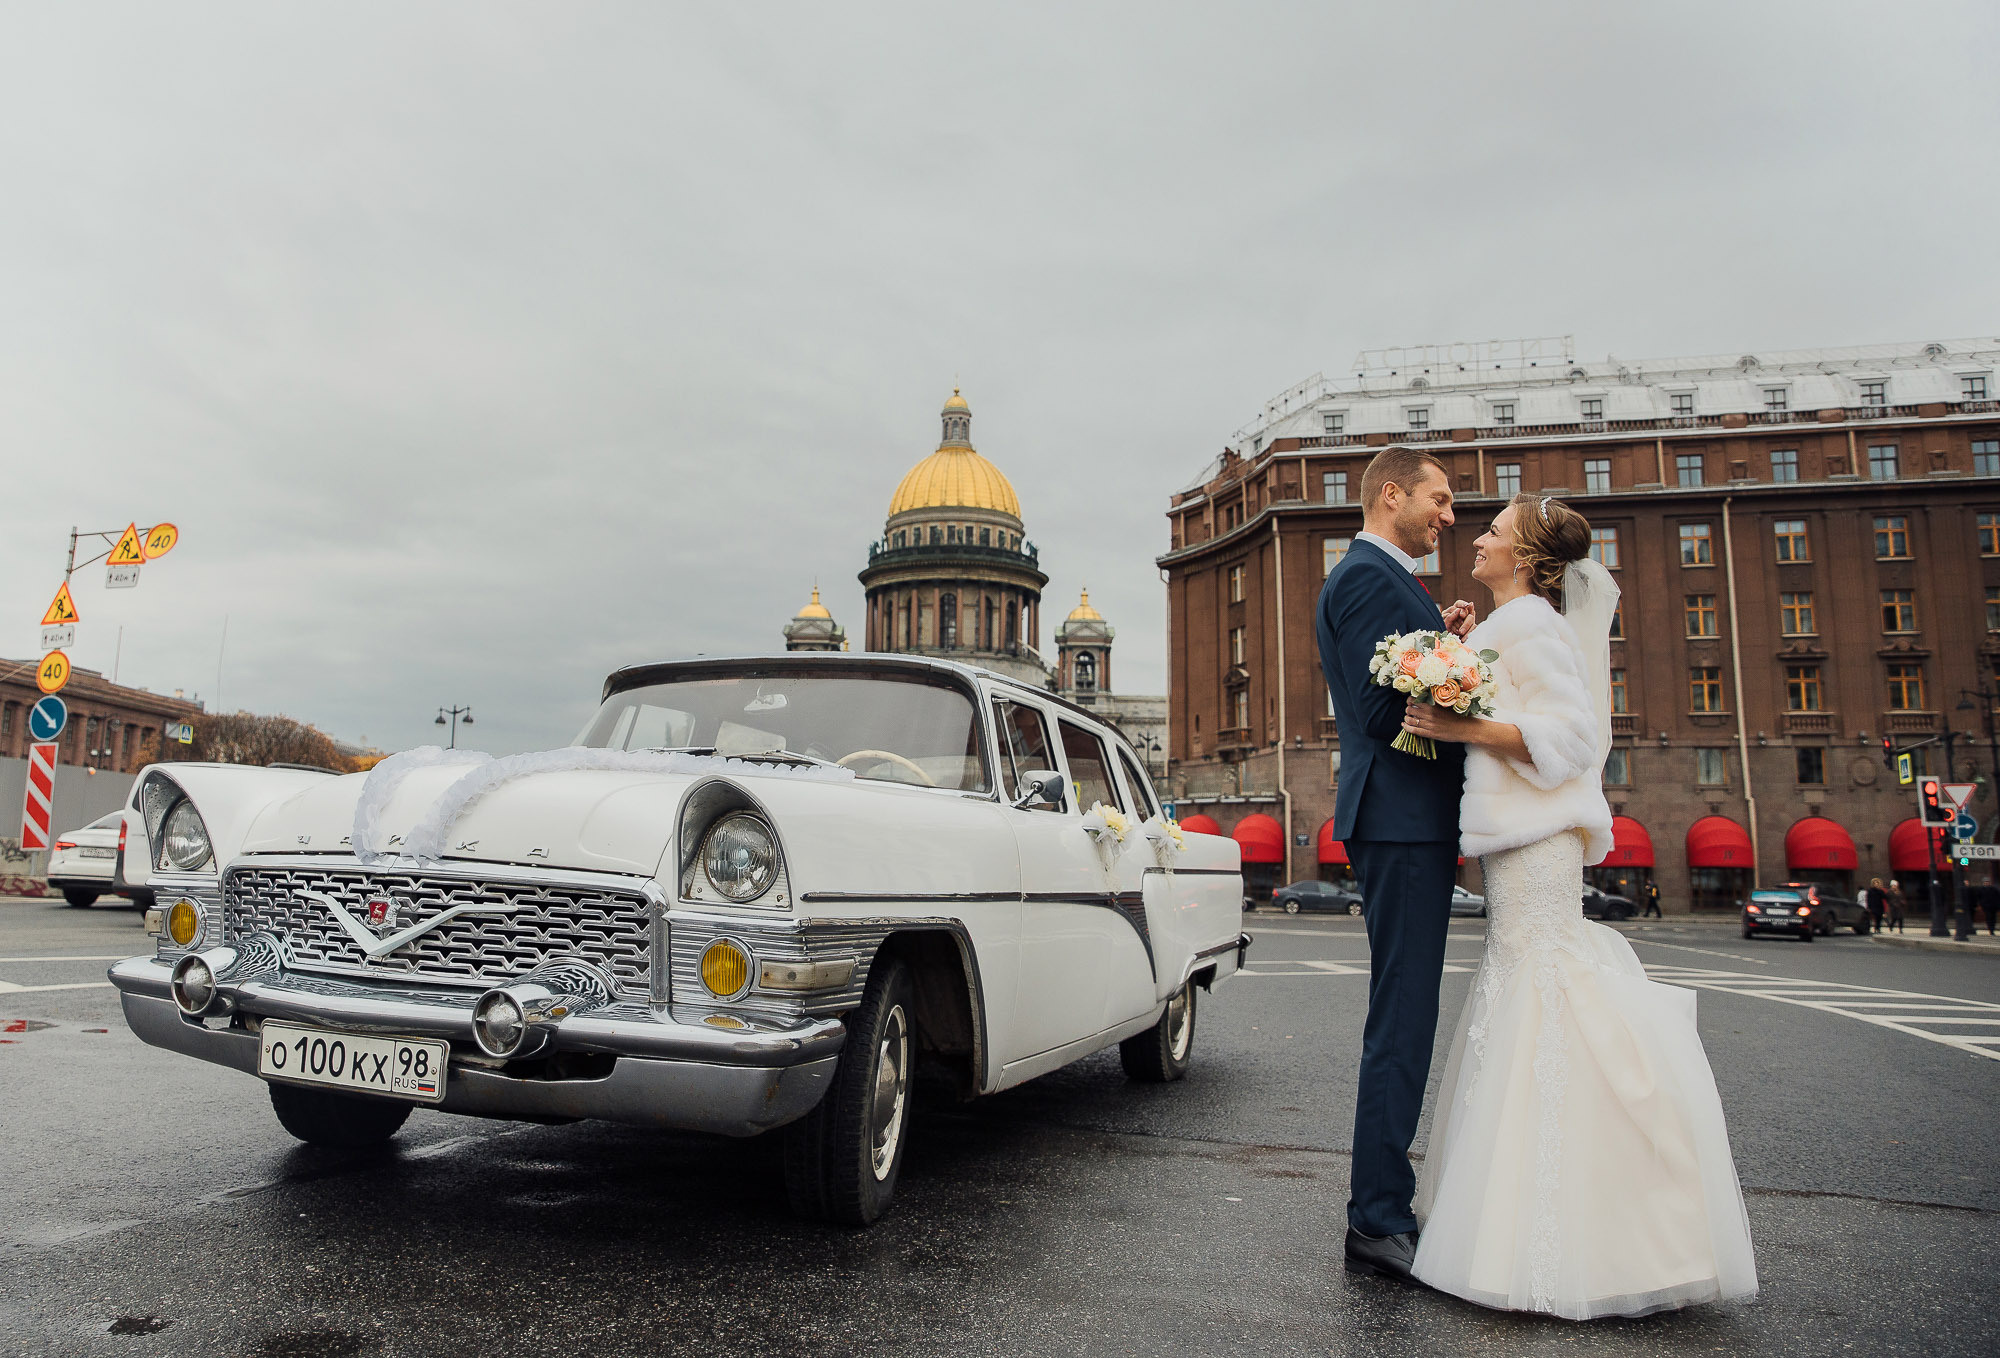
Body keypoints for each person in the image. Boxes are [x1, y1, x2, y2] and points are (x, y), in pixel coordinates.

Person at [1397, 493, 1757, 1319]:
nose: (1477, 539)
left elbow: (1569, 739)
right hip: (1517, 839)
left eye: (1493, 532)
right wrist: (1457, 651)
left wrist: (1462, 728)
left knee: (1544, 994)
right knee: (1526, 995)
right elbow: (1511, 702)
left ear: (1524, 558)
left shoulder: (1533, 626)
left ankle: (1560, 1230)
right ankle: (1530, 1218)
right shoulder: (1511, 625)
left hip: (1536, 838)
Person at [1315, 445, 1476, 1284]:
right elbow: (1384, 712)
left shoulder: (1384, 579)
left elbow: (1395, 679)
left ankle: (1382, 1209)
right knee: (1403, 1020)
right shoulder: (1370, 577)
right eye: (1438, 499)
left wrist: (1441, 644)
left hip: (1403, 820)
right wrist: (1459, 674)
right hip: (1403, 820)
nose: (1449, 515)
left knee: (1405, 1015)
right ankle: (1378, 1219)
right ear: (1391, 494)